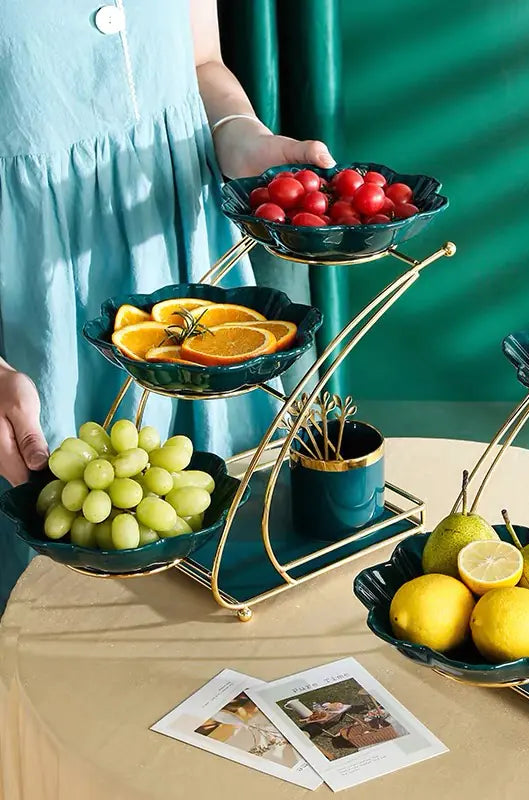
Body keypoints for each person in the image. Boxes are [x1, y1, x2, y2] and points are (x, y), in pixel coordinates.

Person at [0, 0, 335, 610]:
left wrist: (240, 134)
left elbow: (202, 62)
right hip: (29, 300)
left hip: (185, 263)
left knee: (233, 566)